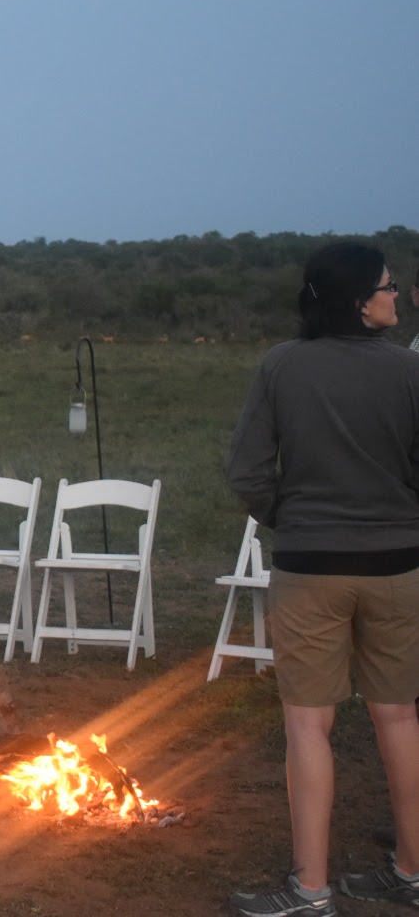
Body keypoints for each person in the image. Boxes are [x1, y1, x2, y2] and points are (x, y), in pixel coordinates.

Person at [226, 241, 419, 916]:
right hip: (397, 566)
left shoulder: (282, 366)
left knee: (309, 727)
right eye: (391, 287)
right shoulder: (407, 372)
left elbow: (247, 469)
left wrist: (292, 518)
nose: (401, 295)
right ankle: (411, 873)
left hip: (310, 568)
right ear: (360, 300)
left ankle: (311, 891)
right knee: (398, 715)